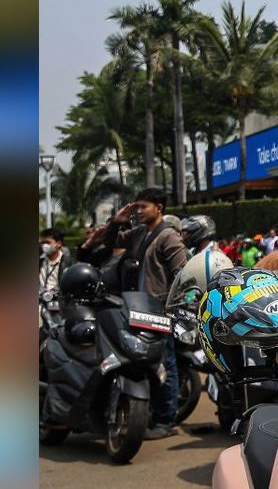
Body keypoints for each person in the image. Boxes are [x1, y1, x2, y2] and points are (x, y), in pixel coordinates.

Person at [100, 187, 189, 440]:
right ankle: (145, 412)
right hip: (135, 309)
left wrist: (172, 309)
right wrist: (116, 221)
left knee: (165, 366)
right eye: (136, 207)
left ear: (158, 208)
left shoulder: (168, 236)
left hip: (158, 313)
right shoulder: (140, 233)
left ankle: (166, 420)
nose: (138, 211)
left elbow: (181, 275)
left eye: (143, 207)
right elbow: (113, 243)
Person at [39, 228, 71, 293]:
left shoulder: (69, 263)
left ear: (58, 244)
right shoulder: (39, 260)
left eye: (47, 242)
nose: (44, 246)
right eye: (42, 243)